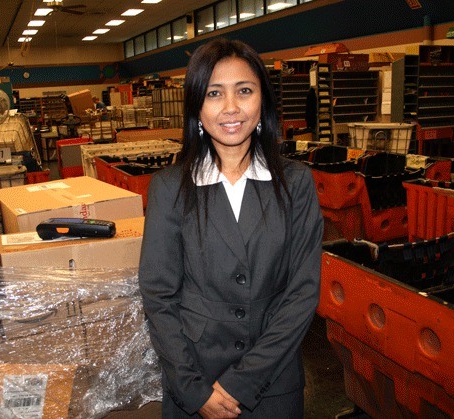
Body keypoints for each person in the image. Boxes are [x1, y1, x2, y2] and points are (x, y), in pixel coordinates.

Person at [138, 38, 323, 418]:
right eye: (214, 93)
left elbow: (302, 292)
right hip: (194, 380)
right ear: (197, 107)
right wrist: (192, 389)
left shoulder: (296, 183)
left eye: (244, 91)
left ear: (263, 101)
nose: (231, 108)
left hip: (272, 381)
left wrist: (243, 381)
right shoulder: (170, 188)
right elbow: (159, 296)